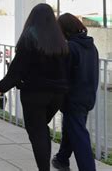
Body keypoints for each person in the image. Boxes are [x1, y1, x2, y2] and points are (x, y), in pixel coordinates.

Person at [0, 3, 69, 171]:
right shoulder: (60, 39)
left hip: (35, 94)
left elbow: (17, 69)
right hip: (57, 94)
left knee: (37, 131)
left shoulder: (29, 37)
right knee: (41, 129)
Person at [52, 13, 99, 171]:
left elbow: (63, 73)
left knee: (79, 137)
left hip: (73, 98)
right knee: (70, 128)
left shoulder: (71, 48)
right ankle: (62, 159)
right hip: (88, 97)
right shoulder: (91, 46)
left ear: (64, 30)